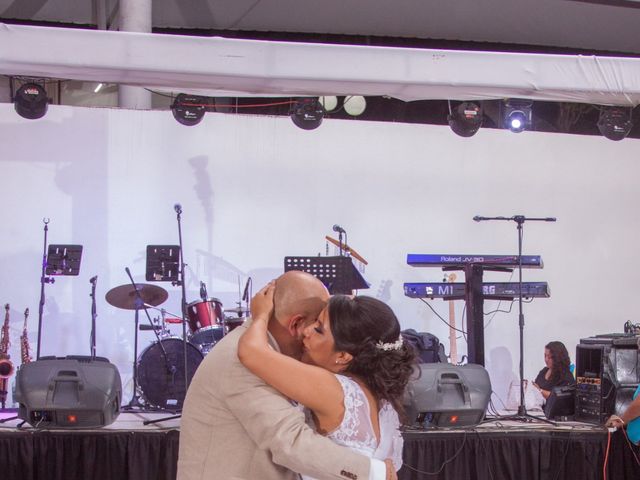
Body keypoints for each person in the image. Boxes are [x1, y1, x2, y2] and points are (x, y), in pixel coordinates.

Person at [177, 271, 395, 480]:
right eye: (317, 324)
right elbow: (290, 442)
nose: (311, 333)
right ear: (296, 323)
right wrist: (373, 473)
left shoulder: (267, 354)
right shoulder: (242, 360)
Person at [238, 283, 417, 479]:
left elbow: (251, 353)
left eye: (318, 329)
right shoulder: (380, 399)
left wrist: (260, 315)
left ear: (343, 356)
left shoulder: (333, 388)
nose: (306, 331)